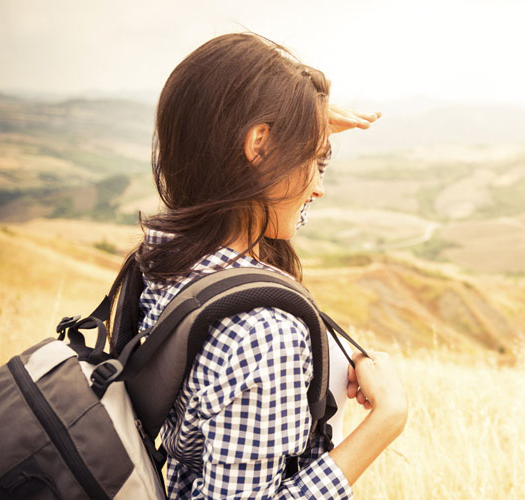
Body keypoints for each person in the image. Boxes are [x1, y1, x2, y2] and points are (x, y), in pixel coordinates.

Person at [118, 32, 408, 499]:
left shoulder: (167, 261)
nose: (318, 188)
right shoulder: (263, 331)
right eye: (315, 161)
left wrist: (294, 133)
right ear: (258, 143)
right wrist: (386, 421)